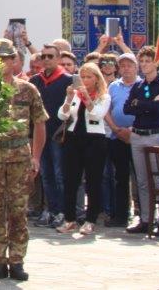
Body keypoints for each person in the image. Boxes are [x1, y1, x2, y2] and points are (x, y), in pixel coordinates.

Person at [0, 38, 46, 281]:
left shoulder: (28, 89)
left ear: (14, 60)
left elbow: (39, 124)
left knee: (18, 211)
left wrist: (36, 157)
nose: (1, 62)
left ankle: (17, 260)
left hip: (19, 159)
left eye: (6, 58)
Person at [56, 63, 110, 236]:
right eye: (83, 77)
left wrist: (87, 98)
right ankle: (69, 219)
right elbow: (62, 115)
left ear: (96, 79)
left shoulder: (103, 96)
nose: (85, 81)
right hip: (73, 138)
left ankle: (90, 219)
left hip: (94, 140)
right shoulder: (75, 95)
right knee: (70, 180)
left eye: (89, 77)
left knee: (93, 181)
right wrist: (68, 99)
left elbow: (97, 114)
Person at [124, 45, 159, 235]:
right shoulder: (138, 85)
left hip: (155, 134)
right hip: (138, 134)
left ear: (156, 63)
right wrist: (147, 105)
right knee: (142, 180)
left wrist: (141, 104)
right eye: (141, 61)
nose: (144, 65)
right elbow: (128, 108)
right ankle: (145, 218)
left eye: (147, 61)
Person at [29, 43, 72, 227]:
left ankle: (62, 211)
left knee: (59, 173)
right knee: (45, 173)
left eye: (50, 56)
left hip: (58, 134)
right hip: (40, 134)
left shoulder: (67, 80)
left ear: (58, 58)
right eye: (43, 56)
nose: (46, 60)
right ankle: (51, 209)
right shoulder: (35, 82)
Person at [103, 52, 136, 228]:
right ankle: (121, 216)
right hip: (117, 136)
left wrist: (131, 130)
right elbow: (106, 109)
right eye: (122, 65)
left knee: (140, 178)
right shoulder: (113, 87)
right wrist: (116, 128)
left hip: (137, 136)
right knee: (120, 177)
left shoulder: (141, 85)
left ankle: (145, 216)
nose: (126, 68)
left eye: (129, 65)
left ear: (135, 67)